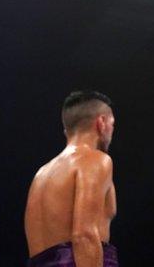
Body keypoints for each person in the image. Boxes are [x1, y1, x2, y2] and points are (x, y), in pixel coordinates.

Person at [24, 90, 119, 267]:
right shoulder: (95, 160)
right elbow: (84, 235)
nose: (112, 132)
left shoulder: (42, 174)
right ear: (102, 123)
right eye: (112, 124)